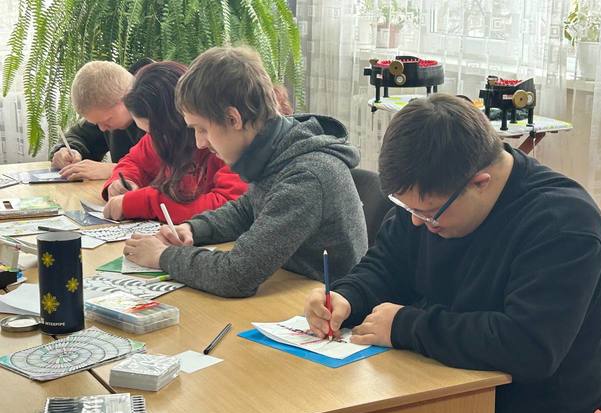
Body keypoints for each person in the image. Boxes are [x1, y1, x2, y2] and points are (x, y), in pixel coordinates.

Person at [304, 94, 601, 413]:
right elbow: (388, 265)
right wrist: (347, 296)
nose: (417, 224)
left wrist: (405, 325)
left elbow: (528, 347)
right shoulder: (434, 197)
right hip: (431, 390)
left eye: (428, 214)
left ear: (480, 183)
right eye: (409, 210)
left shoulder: (563, 225)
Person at [122, 46, 368, 298]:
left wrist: (162, 256)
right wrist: (193, 229)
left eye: (202, 129)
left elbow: (235, 276)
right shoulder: (278, 151)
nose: (199, 143)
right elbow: (248, 208)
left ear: (233, 118)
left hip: (323, 309)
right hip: (291, 292)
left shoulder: (306, 176)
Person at [101, 61, 247, 223]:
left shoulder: (231, 142)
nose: (153, 140)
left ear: (181, 118)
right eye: (149, 133)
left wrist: (142, 203)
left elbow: (230, 208)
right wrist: (123, 181)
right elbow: (133, 162)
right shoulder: (161, 137)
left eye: (159, 132)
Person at [51, 59, 153, 180]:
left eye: (107, 120)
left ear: (127, 98)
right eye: (97, 123)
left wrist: (114, 170)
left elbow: (169, 173)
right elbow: (79, 136)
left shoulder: (165, 111)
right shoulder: (106, 113)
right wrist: (69, 151)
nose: (102, 128)